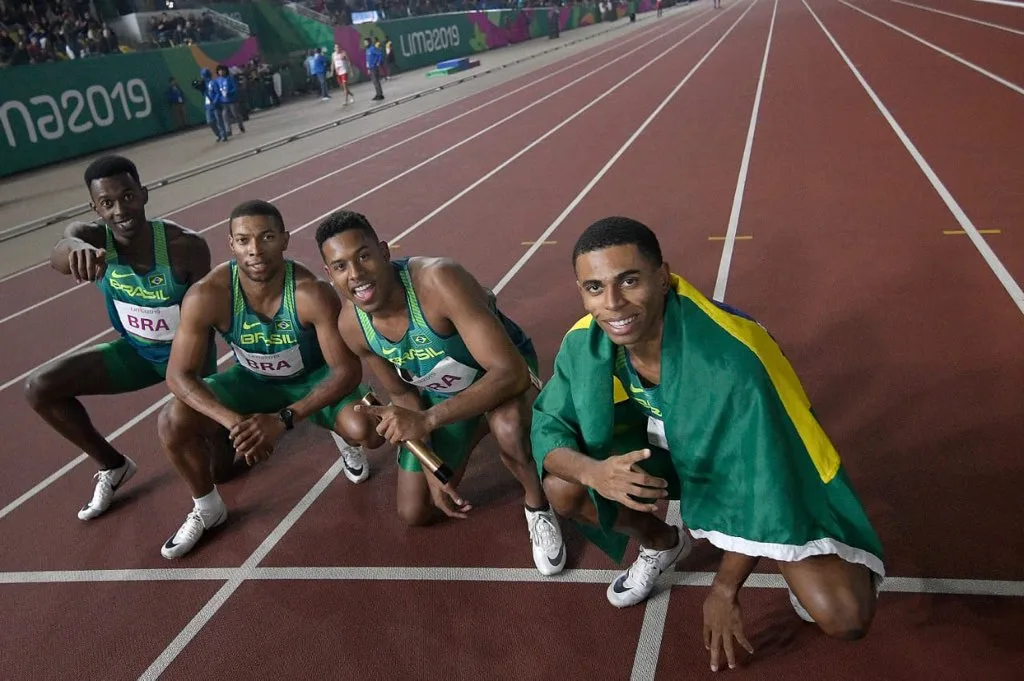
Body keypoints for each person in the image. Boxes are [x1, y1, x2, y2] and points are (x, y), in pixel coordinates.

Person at [531, 217, 885, 671]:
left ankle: (784, 549)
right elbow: (547, 427)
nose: (612, 304)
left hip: (752, 469)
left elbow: (764, 481)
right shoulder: (586, 342)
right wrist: (593, 472)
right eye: (594, 288)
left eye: (630, 280)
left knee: (845, 615)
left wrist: (724, 588)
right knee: (563, 486)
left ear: (664, 277)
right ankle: (662, 543)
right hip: (674, 458)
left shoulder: (731, 360)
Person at [314, 209, 566, 576]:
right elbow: (402, 397)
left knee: (510, 428)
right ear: (330, 274)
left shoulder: (439, 281)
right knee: (415, 512)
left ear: (384, 252)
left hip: (498, 374)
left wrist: (429, 420)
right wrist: (430, 462)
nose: (355, 275)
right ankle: (478, 422)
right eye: (340, 267)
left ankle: (537, 506)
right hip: (438, 395)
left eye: (363, 256)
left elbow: (508, 372)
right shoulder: (352, 327)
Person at [157, 200, 380, 560]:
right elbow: (177, 375)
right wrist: (235, 423)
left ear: (285, 240)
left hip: (312, 379)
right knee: (172, 419)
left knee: (365, 430)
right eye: (244, 240)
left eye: (267, 237)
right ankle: (208, 508)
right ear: (231, 244)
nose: (255, 250)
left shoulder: (311, 293)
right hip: (252, 381)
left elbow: (346, 371)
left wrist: (284, 420)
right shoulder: (207, 295)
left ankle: (341, 436)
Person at [24, 154, 215, 521]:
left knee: (222, 468)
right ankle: (113, 467)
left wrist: (191, 380)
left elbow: (205, 322)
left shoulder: (185, 246)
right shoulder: (94, 244)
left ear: (143, 194)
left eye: (127, 197)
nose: (119, 210)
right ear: (95, 208)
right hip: (137, 356)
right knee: (38, 387)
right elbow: (61, 250)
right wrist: (73, 247)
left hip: (189, 360)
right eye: (107, 203)